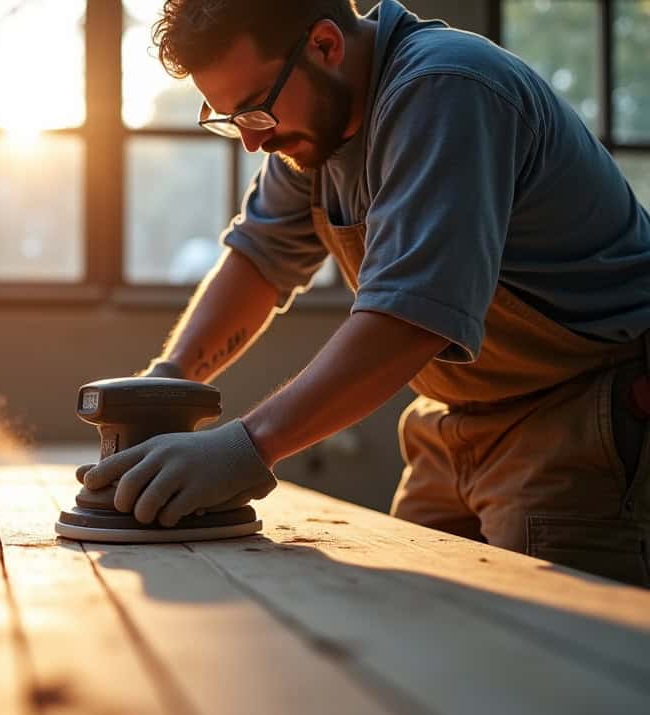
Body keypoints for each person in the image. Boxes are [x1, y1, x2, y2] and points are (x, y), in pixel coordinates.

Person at [78, 0, 650, 586]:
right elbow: (259, 260)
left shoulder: (446, 89)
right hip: (450, 421)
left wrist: (245, 449)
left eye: (254, 111)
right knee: (404, 632)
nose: (253, 143)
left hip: (579, 422)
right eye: (232, 121)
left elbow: (409, 318)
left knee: (557, 660)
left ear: (326, 45)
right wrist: (168, 383)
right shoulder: (309, 130)